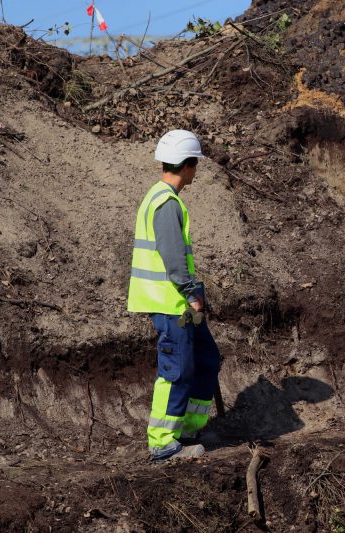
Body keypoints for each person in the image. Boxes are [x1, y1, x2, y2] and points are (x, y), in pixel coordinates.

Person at [127, 129, 221, 461]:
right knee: (177, 370)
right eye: (196, 164)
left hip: (180, 301)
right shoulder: (166, 203)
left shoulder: (163, 196)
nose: (197, 170)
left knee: (208, 359)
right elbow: (172, 255)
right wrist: (190, 293)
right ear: (188, 165)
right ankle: (163, 443)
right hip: (172, 303)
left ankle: (187, 428)